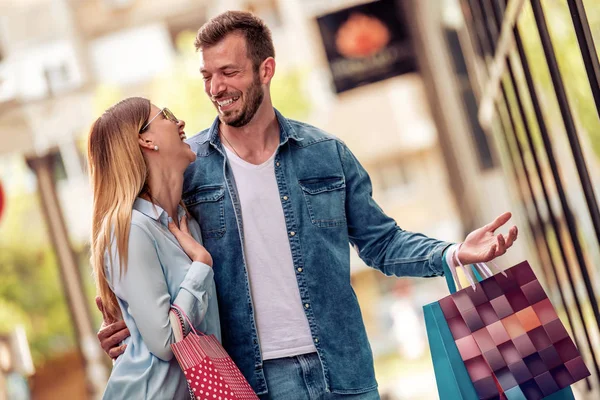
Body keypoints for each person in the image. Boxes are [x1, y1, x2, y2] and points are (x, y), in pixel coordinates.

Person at [97, 11, 518, 399]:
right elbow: (141, 242)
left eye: (229, 72)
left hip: (344, 371)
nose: (215, 88)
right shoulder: (190, 168)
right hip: (252, 381)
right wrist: (125, 326)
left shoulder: (324, 153)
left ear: (266, 70)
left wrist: (451, 252)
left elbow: (382, 242)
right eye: (207, 75)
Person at [89, 97, 220, 399]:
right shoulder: (130, 228)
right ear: (146, 139)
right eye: (167, 116)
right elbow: (164, 343)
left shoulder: (187, 225)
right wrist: (201, 265)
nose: (180, 123)